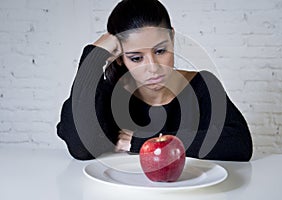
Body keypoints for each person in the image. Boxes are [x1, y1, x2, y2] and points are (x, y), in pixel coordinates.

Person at [57, 0, 252, 161]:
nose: (153, 67)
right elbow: (80, 147)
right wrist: (93, 56)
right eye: (136, 58)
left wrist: (147, 142)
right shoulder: (110, 94)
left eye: (160, 51)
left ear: (172, 39)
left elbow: (239, 144)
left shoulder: (202, 86)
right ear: (120, 57)